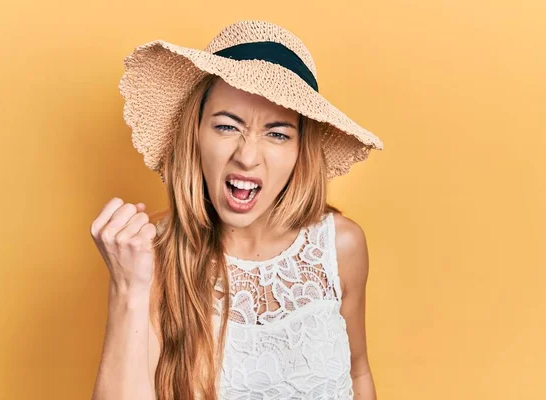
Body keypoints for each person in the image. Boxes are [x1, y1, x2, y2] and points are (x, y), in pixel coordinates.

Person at [91, 20, 384, 400]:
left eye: (278, 134)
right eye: (227, 127)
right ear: (194, 134)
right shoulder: (152, 257)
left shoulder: (340, 245)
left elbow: (358, 373)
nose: (247, 157)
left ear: (300, 152)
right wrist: (127, 289)